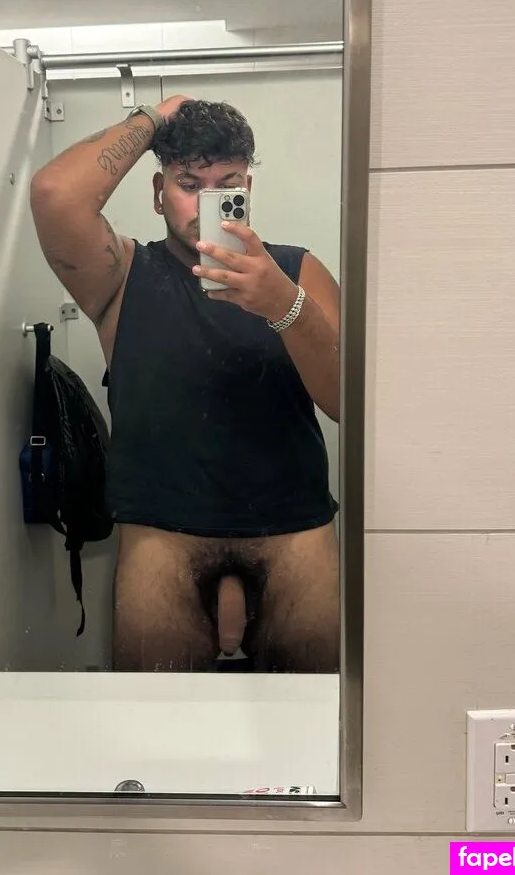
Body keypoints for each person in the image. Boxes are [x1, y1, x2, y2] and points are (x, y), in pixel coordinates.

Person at [29, 95, 340, 673]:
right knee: (154, 718)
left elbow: (352, 403)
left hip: (293, 530)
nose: (206, 202)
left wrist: (284, 305)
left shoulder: (298, 271)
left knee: (318, 711)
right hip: (162, 534)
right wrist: (152, 118)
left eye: (226, 184)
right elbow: (55, 195)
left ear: (248, 189)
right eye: (188, 184)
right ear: (158, 193)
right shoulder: (121, 276)